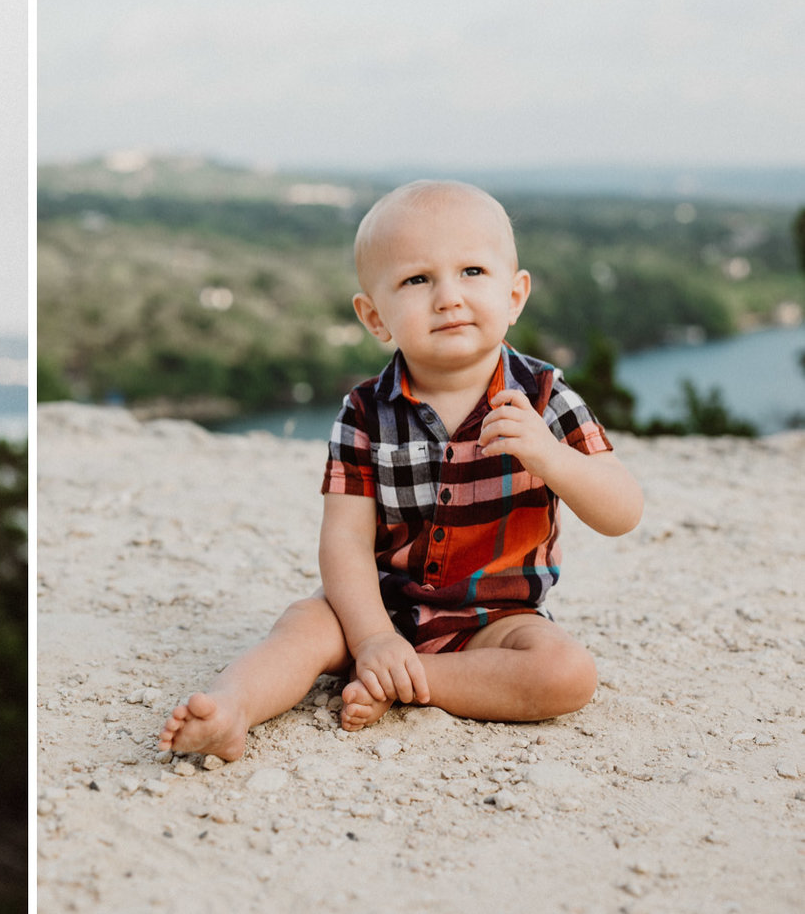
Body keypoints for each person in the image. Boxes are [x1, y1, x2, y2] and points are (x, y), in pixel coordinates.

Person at [157, 180, 644, 764]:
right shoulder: (364, 412)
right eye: (417, 280)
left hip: (496, 620)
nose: (448, 297)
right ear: (375, 317)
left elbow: (622, 511)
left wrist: (549, 455)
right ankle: (231, 709)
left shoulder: (544, 398)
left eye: (472, 272)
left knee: (566, 673)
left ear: (515, 296)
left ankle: (416, 681)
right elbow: (344, 540)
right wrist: (371, 638)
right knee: (302, 627)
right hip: (379, 606)